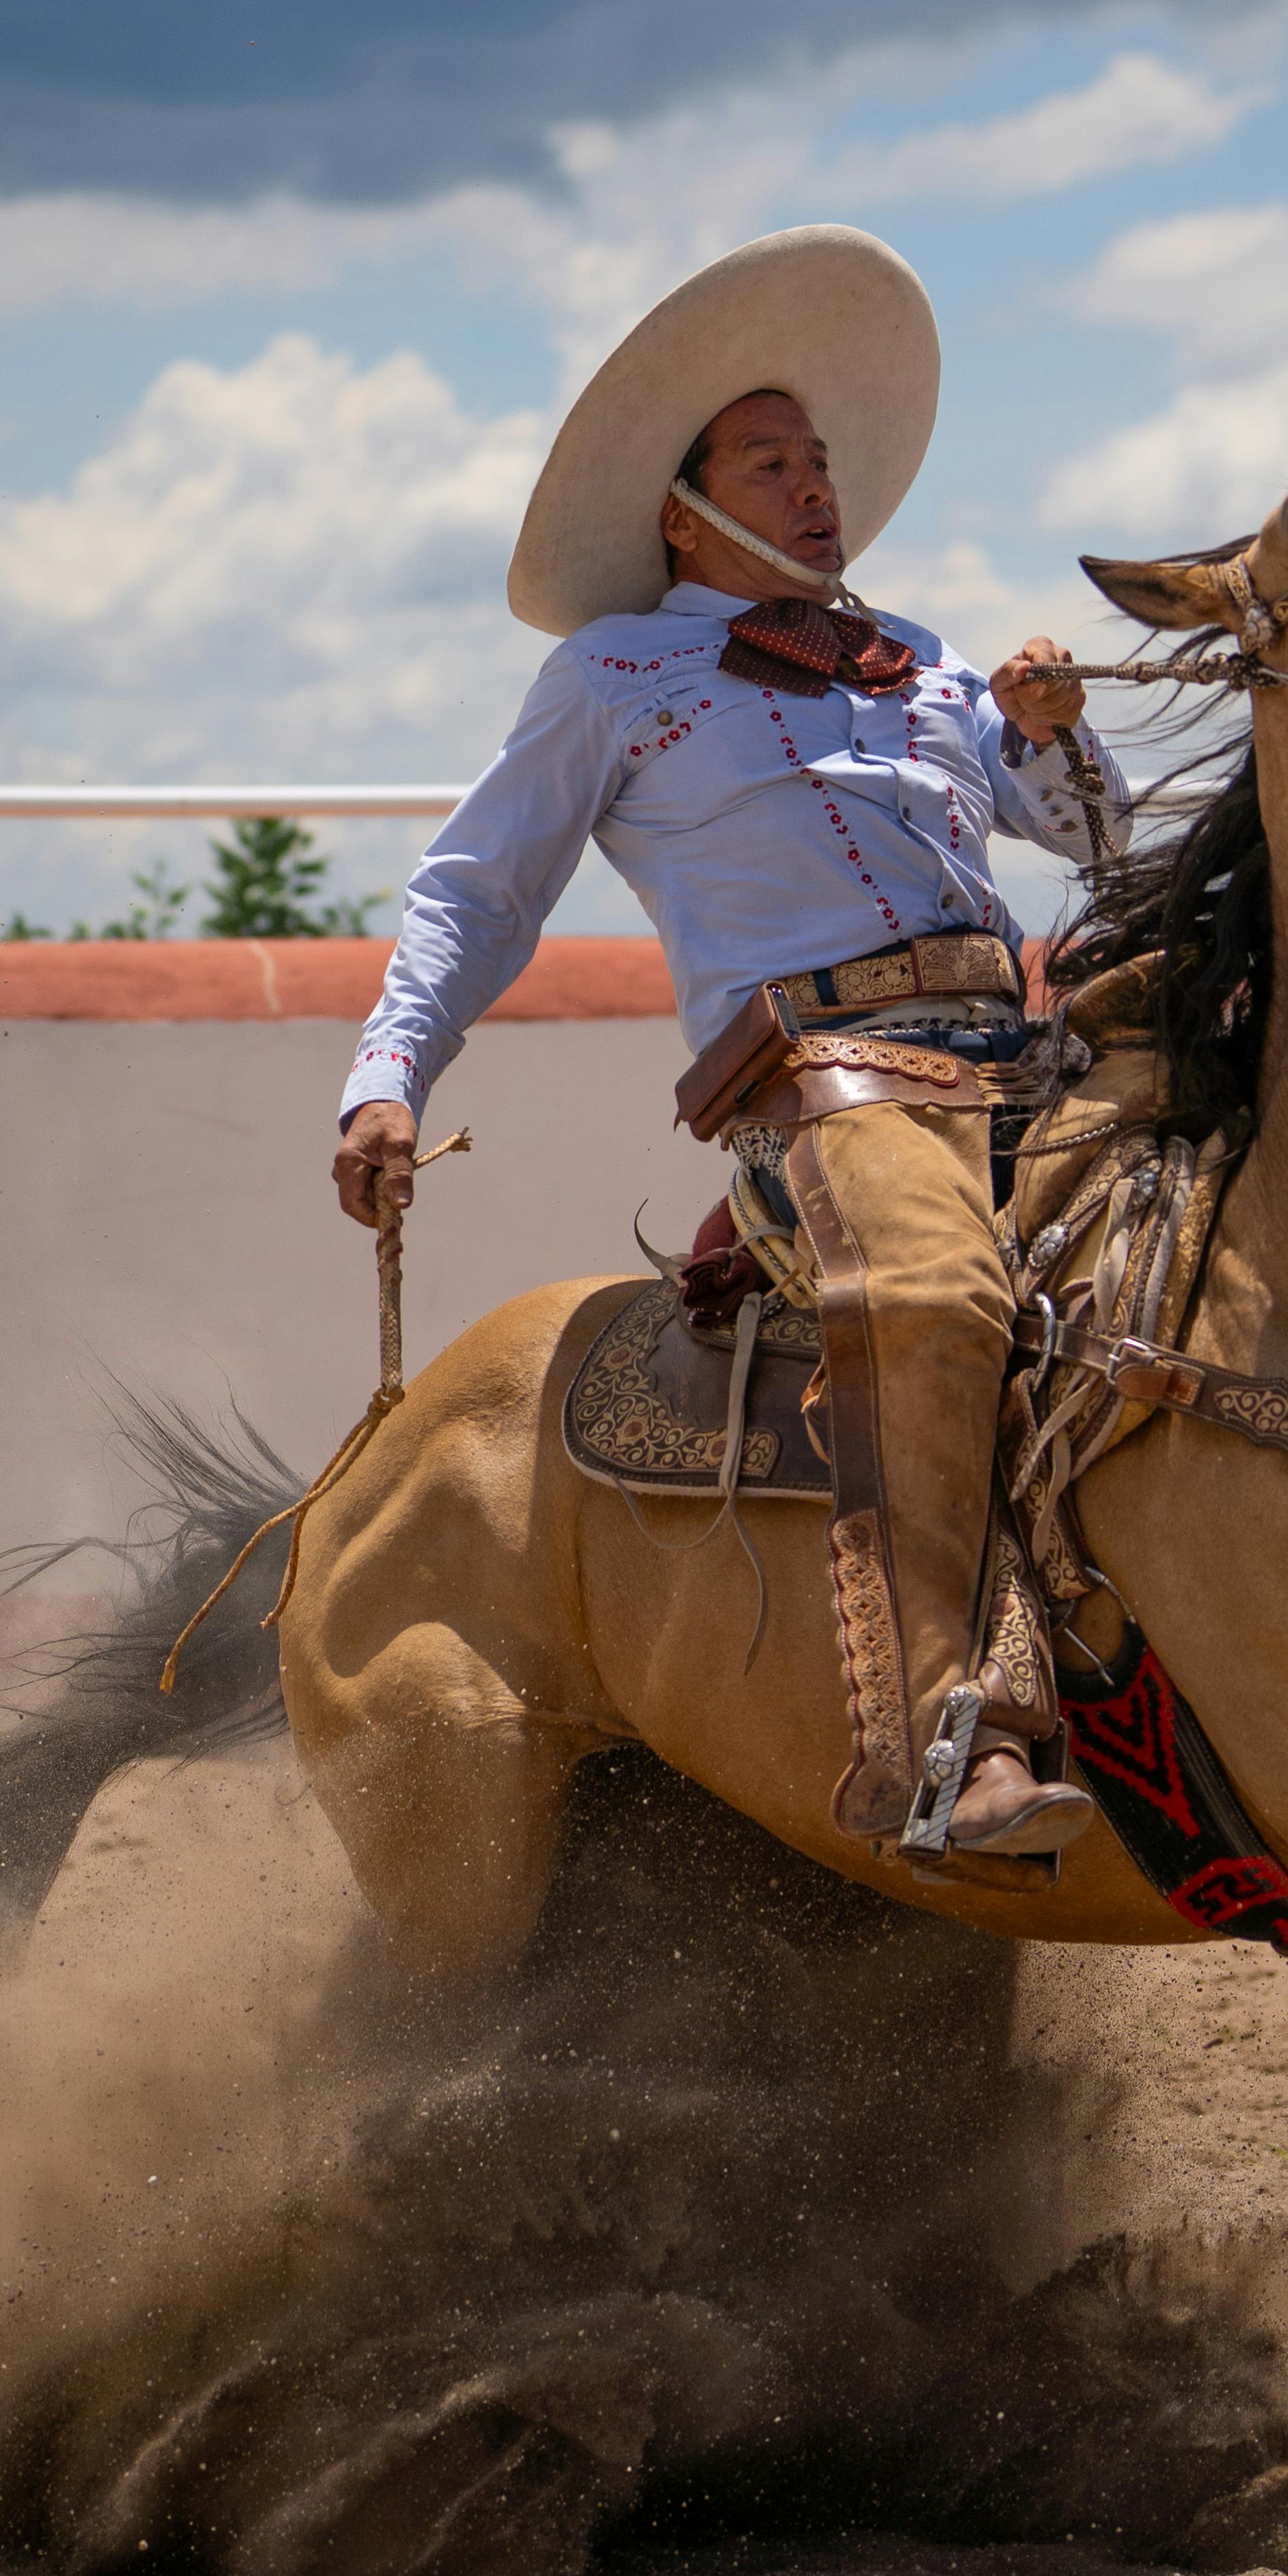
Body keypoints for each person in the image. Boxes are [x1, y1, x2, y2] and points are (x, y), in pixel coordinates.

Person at [334, 227, 1131, 1871]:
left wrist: (1056, 734)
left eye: (819, 458)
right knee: (928, 1294)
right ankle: (952, 1739)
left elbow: (1085, 837)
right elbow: (477, 892)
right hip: (822, 1080)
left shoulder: (926, 657)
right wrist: (386, 1076)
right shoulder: (613, 673)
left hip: (1028, 1051)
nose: (816, 484)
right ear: (682, 509)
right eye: (772, 461)